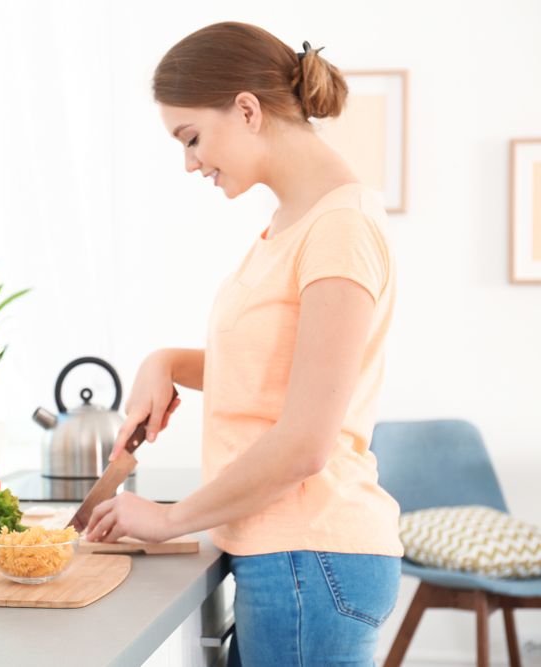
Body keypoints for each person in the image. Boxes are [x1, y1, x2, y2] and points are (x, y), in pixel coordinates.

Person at [84, 21, 403, 666]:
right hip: (288, 555)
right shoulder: (295, 222)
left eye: (192, 137)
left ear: (248, 110)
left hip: (310, 555)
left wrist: (173, 518)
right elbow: (274, 368)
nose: (190, 161)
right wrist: (165, 362)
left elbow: (307, 442)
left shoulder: (339, 229)